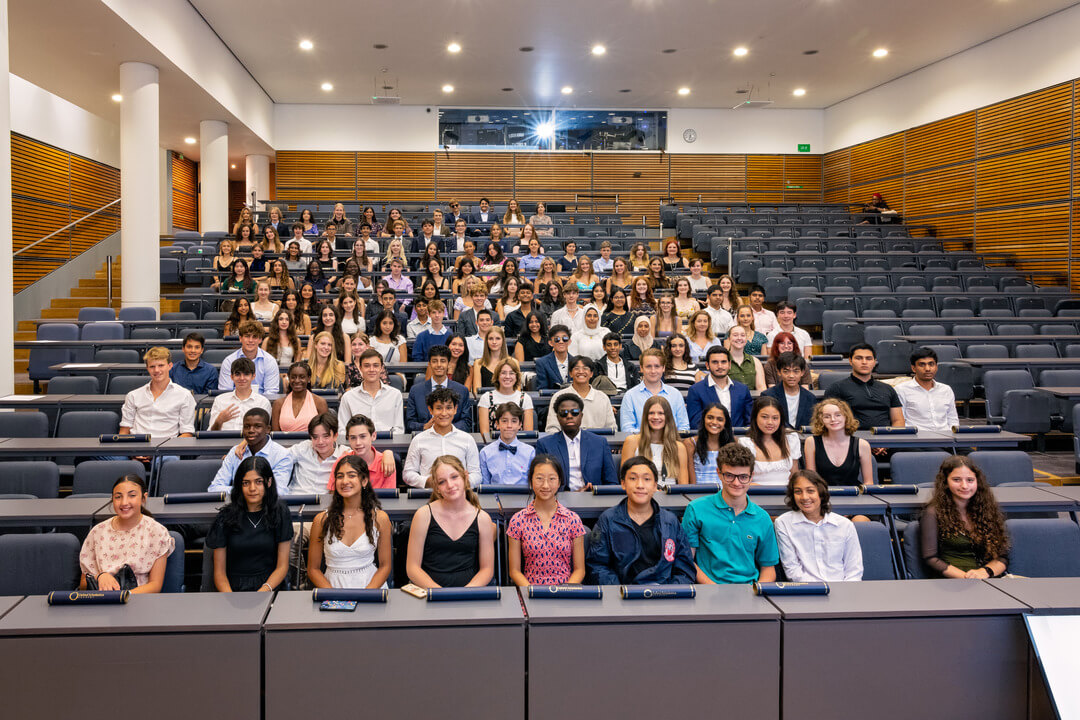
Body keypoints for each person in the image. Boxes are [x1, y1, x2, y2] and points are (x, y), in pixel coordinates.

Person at [587, 456, 696, 585]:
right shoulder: (608, 520)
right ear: (623, 484)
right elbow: (597, 567)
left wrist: (668, 594)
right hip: (623, 597)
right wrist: (621, 594)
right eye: (633, 479)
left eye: (647, 479)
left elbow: (685, 570)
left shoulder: (670, 521)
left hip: (664, 596)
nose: (640, 485)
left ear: (655, 486)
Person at [681, 442, 779, 584]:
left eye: (743, 477)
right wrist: (714, 589)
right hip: (709, 591)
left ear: (751, 476)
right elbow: (688, 560)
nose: (737, 483)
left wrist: (757, 593)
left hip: (750, 592)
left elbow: (768, 569)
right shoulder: (696, 509)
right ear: (719, 473)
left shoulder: (762, 518)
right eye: (729, 475)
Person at [405, 455, 496, 588]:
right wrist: (439, 594)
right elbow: (412, 568)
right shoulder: (423, 515)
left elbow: (487, 570)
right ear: (436, 488)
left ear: (465, 477)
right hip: (430, 593)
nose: (450, 485)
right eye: (442, 482)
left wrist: (465, 594)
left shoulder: (482, 518)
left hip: (470, 593)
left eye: (454, 477)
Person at [207, 456, 293, 592]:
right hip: (232, 589)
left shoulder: (280, 513)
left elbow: (282, 566)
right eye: (246, 483)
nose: (252, 488)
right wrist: (230, 597)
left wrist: (264, 591)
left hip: (269, 586)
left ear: (269, 482)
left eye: (258, 482)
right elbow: (219, 573)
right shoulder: (225, 517)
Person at [307, 454, 392, 589]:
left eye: (351, 475)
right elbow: (313, 569)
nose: (345, 481)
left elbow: (385, 566)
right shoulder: (321, 520)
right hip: (332, 589)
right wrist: (334, 596)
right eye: (340, 476)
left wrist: (366, 595)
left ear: (364, 481)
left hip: (371, 587)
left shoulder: (380, 518)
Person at [78, 474, 174, 593]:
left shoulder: (157, 532)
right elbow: (83, 585)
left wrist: (122, 596)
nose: (124, 502)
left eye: (132, 495)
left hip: (138, 600)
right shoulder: (98, 531)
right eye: (118, 497)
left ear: (143, 498)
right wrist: (100, 576)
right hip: (100, 601)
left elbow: (155, 585)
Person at [920, 456, 1010, 579]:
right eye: (957, 480)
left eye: (970, 480)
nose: (965, 486)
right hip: (954, 582)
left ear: (978, 481)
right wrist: (968, 578)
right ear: (945, 482)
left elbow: (1002, 557)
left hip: (988, 579)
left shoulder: (987, 509)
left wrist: (985, 572)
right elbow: (931, 558)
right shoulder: (933, 513)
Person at [507, 454, 588, 586]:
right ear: (531, 480)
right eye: (539, 478)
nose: (545, 485)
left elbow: (580, 570)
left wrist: (564, 592)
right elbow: (514, 571)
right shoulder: (518, 520)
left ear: (560, 481)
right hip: (530, 591)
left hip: (565, 591)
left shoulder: (573, 520)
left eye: (551, 479)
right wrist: (531, 592)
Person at [774, 470, 864, 582]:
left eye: (810, 491)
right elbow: (792, 571)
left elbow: (854, 570)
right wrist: (819, 589)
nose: (804, 497)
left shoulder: (845, 525)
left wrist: (844, 593)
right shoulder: (783, 523)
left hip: (843, 590)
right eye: (798, 492)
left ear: (821, 493)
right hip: (807, 591)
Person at [536, 394, 618, 491]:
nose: (569, 416)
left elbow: (611, 482)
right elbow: (540, 483)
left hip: (592, 498)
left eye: (574, 412)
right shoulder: (545, 445)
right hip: (558, 500)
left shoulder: (599, 443)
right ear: (557, 417)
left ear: (581, 415)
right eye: (564, 413)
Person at [403, 388, 481, 488]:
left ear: (455, 409)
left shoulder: (467, 439)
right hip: (430, 494)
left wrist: (463, 482)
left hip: (459, 494)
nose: (444, 413)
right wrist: (428, 481)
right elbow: (408, 474)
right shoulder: (418, 440)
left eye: (448, 408)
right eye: (439, 408)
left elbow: (476, 474)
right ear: (430, 410)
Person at [209, 409, 294, 493]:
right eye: (247, 426)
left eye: (257, 426)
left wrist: (239, 490)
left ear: (268, 429)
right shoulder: (235, 452)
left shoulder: (282, 455)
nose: (251, 430)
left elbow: (278, 491)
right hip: (237, 505)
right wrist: (249, 491)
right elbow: (214, 488)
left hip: (266, 506)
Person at [824, 343, 905, 430]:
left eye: (869, 358)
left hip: (885, 437)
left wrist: (892, 439)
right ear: (850, 361)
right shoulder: (836, 388)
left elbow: (898, 420)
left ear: (874, 362)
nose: (864, 362)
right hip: (852, 438)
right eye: (859, 358)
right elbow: (830, 420)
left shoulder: (888, 389)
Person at [120, 347, 196, 438]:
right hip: (136, 447)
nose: (156, 370)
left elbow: (187, 433)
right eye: (152, 366)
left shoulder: (184, 395)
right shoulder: (133, 395)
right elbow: (125, 429)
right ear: (147, 368)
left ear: (170, 366)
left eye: (161, 365)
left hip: (167, 448)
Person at [620, 396, 689, 487]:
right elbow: (625, 480)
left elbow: (683, 485)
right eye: (651, 413)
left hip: (671, 496)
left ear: (667, 417)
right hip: (641, 494)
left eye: (661, 413)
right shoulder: (632, 441)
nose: (656, 417)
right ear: (645, 416)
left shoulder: (679, 447)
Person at [804, 399, 874, 487]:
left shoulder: (862, 445)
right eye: (827, 416)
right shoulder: (811, 442)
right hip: (823, 496)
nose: (833, 419)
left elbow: (868, 483)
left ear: (846, 417)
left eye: (838, 415)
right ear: (820, 420)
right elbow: (811, 481)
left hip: (853, 496)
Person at [337, 349, 405, 437]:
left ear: (381, 368)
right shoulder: (348, 397)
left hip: (388, 446)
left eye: (376, 366)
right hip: (358, 446)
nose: (371, 369)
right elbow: (342, 430)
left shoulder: (395, 395)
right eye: (367, 366)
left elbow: (399, 430)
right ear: (360, 368)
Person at [406, 345, 474, 433]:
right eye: (434, 361)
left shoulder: (462, 390)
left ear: (449, 364)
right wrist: (425, 426)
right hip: (426, 437)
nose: (439, 365)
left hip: (453, 438)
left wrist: (446, 428)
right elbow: (409, 423)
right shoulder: (416, 391)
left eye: (443, 361)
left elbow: (466, 422)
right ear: (429, 364)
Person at [620, 349, 690, 432]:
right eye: (648, 366)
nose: (653, 371)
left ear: (663, 368)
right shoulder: (630, 396)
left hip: (670, 443)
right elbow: (627, 429)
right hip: (641, 443)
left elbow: (684, 427)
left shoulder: (675, 394)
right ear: (641, 368)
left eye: (657, 366)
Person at [738, 396, 802, 486]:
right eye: (764, 417)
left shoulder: (791, 438)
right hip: (756, 494)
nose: (770, 422)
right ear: (755, 418)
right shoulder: (745, 443)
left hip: (786, 494)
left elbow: (794, 475)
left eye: (775, 418)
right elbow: (742, 480)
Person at [687, 346, 752, 429]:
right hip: (709, 439)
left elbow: (749, 421)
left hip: (738, 438)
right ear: (707, 365)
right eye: (715, 362)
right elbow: (696, 424)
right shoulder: (696, 390)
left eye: (723, 362)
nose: (720, 366)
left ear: (729, 364)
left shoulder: (743, 389)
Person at [545, 356, 616, 432]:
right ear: (570, 373)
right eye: (576, 368)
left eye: (585, 368)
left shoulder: (602, 397)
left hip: (597, 442)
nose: (581, 371)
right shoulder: (559, 396)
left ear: (591, 373)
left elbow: (612, 428)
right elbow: (552, 429)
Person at [896, 347, 959, 432]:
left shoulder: (946, 390)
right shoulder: (901, 390)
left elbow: (953, 419)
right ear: (913, 368)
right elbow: (900, 421)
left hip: (946, 439)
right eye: (922, 365)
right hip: (918, 440)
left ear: (936, 366)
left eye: (931, 364)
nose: (927, 369)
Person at [288, 413, 348, 494]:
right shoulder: (303, 448)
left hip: (325, 503)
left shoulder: (345, 454)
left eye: (325, 436)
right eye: (315, 437)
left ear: (335, 436)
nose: (320, 442)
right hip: (295, 499)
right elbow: (280, 458)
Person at [479, 402, 536, 486]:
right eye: (504, 421)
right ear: (497, 424)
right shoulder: (485, 453)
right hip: (496, 498)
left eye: (514, 421)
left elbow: (532, 483)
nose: (509, 425)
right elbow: (485, 485)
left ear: (520, 425)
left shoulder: (530, 452)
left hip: (523, 498)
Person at [209, 357, 272, 432]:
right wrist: (219, 421)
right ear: (232, 377)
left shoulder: (262, 402)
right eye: (238, 374)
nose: (242, 378)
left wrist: (241, 444)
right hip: (222, 442)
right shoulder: (220, 400)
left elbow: (262, 433)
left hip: (250, 443)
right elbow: (211, 433)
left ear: (253, 376)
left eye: (246, 374)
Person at [219, 321, 280, 394]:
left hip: (262, 403)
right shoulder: (229, 361)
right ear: (240, 338)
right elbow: (225, 391)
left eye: (254, 337)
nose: (251, 340)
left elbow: (271, 392)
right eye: (247, 336)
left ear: (260, 340)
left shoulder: (269, 361)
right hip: (235, 403)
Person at [339, 414, 397, 490]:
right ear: (348, 439)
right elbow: (335, 495)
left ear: (373, 436)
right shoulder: (341, 462)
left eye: (363, 436)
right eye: (353, 438)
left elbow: (388, 499)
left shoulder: (387, 463)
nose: (358, 443)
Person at [477, 359, 534, 435]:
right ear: (497, 376)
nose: (507, 376)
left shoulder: (525, 398)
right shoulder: (486, 398)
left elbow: (528, 432)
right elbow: (485, 433)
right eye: (503, 373)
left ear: (516, 377)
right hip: (493, 443)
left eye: (511, 373)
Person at [762, 352, 817, 429]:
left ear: (802, 372)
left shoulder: (810, 398)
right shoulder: (768, 396)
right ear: (779, 372)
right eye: (786, 371)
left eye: (796, 371)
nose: (791, 375)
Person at [272, 362, 330, 432]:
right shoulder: (278, 403)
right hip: (283, 443)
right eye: (293, 377)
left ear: (308, 379)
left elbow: (325, 432)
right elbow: (275, 435)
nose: (297, 381)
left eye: (302, 377)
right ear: (289, 378)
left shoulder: (320, 402)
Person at [685, 403, 734, 485]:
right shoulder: (691, 443)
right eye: (710, 418)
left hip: (725, 493)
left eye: (720, 419)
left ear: (725, 423)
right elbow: (691, 481)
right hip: (699, 492)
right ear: (704, 419)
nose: (714, 422)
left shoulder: (733, 443)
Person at [468, 325, 510, 394]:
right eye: (490, 339)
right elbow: (477, 392)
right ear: (486, 341)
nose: (494, 342)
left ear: (503, 340)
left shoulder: (513, 362)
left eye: (498, 338)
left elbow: (516, 392)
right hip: (486, 403)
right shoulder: (478, 363)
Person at [726, 325, 766, 390]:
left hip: (752, 399)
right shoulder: (723, 361)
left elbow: (761, 387)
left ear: (746, 338)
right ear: (729, 338)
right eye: (735, 335)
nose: (739, 338)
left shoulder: (755, 361)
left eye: (742, 335)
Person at [535, 324, 574, 390]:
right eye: (557, 339)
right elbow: (542, 389)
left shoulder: (576, 362)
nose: (561, 342)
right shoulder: (542, 363)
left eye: (565, 338)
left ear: (569, 342)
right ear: (550, 343)